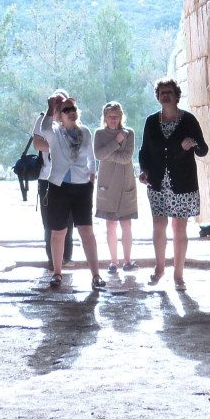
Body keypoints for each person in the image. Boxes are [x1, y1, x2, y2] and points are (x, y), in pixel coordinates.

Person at [138, 78, 208, 290]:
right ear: (157, 96)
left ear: (177, 95)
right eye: (161, 92)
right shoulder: (151, 121)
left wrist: (192, 144)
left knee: (179, 228)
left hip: (183, 182)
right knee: (159, 225)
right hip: (158, 182)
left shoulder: (189, 120)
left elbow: (203, 149)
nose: (165, 95)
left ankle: (178, 275)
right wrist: (144, 171)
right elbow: (144, 152)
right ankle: (160, 268)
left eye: (169, 91)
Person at [38, 94, 106, 290]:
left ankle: (95, 275)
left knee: (87, 231)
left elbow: (91, 159)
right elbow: (43, 129)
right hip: (59, 187)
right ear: (59, 116)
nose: (71, 112)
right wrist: (51, 106)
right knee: (58, 231)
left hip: (81, 186)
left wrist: (91, 177)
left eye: (73, 109)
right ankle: (57, 273)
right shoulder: (55, 133)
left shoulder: (85, 132)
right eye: (66, 110)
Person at [94, 102, 139, 274]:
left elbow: (126, 157)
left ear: (121, 116)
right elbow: (98, 155)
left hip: (126, 184)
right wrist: (116, 142)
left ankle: (127, 261)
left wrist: (108, 153)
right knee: (110, 225)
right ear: (105, 117)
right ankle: (114, 261)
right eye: (110, 116)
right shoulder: (99, 133)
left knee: (126, 224)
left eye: (116, 116)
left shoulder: (129, 133)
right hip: (107, 185)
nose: (113, 120)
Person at [32, 89, 74, 271]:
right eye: (56, 102)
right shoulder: (43, 120)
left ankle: (66, 257)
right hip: (46, 179)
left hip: (68, 179)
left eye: (61, 102)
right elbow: (38, 143)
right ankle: (52, 259)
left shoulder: (70, 119)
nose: (59, 105)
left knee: (69, 222)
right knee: (49, 222)